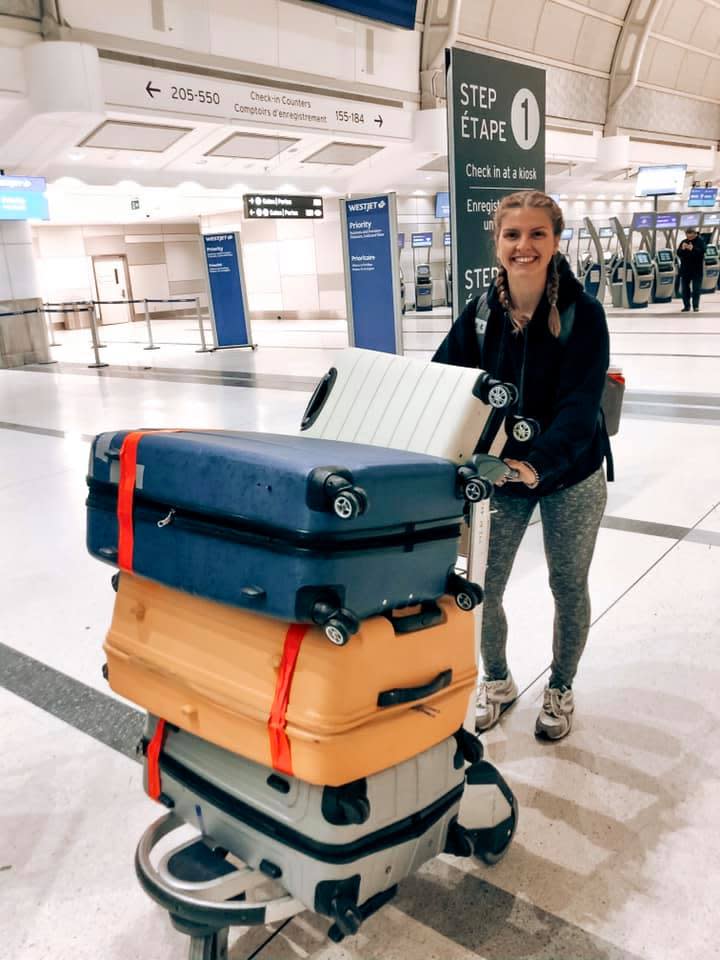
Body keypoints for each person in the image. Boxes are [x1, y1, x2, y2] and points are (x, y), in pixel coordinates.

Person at [433, 191, 609, 740]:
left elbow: (581, 409)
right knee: (482, 586)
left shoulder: (584, 313)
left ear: (556, 241)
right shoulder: (482, 312)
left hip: (570, 472)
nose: (524, 246)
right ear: (498, 243)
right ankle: (500, 681)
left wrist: (534, 467)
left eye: (537, 234)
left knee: (567, 584)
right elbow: (445, 381)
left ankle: (560, 685)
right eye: (513, 235)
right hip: (498, 476)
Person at [677, 228, 706, 312]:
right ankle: (686, 306)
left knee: (696, 288)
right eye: (687, 235)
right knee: (685, 289)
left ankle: (695, 306)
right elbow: (679, 253)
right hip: (685, 270)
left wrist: (692, 249)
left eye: (690, 235)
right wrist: (682, 249)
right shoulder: (684, 242)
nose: (688, 237)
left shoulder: (700, 241)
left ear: (694, 234)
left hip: (697, 270)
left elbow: (702, 252)